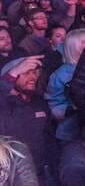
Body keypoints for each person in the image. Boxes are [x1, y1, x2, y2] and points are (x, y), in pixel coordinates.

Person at [0, 56, 55, 184]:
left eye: (34, 73)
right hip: (11, 176)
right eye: (25, 73)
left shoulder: (39, 103)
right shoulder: (3, 104)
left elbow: (50, 140)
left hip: (41, 174)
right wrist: (11, 75)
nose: (33, 77)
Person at [45, 28, 85, 142]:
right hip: (71, 133)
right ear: (74, 47)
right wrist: (72, 109)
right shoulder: (60, 75)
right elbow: (53, 104)